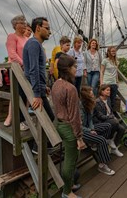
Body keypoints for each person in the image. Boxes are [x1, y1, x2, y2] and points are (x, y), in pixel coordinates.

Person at [52, 54, 86, 198]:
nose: (76, 69)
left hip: (58, 124)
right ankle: (67, 192)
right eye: (74, 66)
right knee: (70, 161)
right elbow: (74, 116)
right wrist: (79, 137)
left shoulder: (55, 84)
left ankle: (70, 184)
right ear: (67, 69)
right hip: (68, 127)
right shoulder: (70, 88)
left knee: (68, 158)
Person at [23, 17, 55, 121]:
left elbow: (39, 69)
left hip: (40, 87)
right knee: (50, 118)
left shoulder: (37, 44)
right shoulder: (34, 44)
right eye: (47, 28)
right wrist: (36, 95)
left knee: (48, 118)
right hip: (36, 90)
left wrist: (44, 85)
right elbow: (33, 69)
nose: (49, 32)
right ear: (37, 28)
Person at [80, 86, 115, 175]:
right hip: (81, 132)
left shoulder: (90, 104)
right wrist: (89, 130)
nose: (93, 96)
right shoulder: (80, 107)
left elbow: (90, 120)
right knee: (102, 140)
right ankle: (102, 166)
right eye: (91, 95)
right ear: (86, 97)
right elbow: (78, 126)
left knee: (108, 126)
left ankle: (96, 145)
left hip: (88, 128)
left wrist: (92, 128)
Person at [4, 15, 29, 129]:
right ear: (16, 25)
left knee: (25, 95)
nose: (24, 24)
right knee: (18, 94)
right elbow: (12, 54)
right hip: (17, 69)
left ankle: (23, 119)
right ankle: (16, 120)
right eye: (22, 23)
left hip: (26, 70)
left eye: (25, 22)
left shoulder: (26, 38)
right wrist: (23, 63)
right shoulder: (12, 37)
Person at [93, 84, 125, 157]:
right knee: (115, 122)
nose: (109, 92)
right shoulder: (97, 102)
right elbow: (100, 116)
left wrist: (112, 116)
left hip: (109, 119)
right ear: (102, 91)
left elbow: (110, 111)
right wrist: (112, 117)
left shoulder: (108, 99)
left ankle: (114, 148)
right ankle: (110, 139)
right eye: (107, 90)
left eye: (110, 90)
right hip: (101, 121)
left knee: (122, 129)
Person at [100, 46, 118, 111]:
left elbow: (116, 72)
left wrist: (117, 81)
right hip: (106, 82)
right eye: (112, 51)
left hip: (114, 83)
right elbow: (101, 72)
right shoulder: (105, 60)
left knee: (113, 100)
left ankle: (111, 113)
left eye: (114, 51)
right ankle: (105, 113)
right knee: (106, 100)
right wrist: (101, 82)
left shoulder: (116, 61)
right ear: (109, 52)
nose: (114, 52)